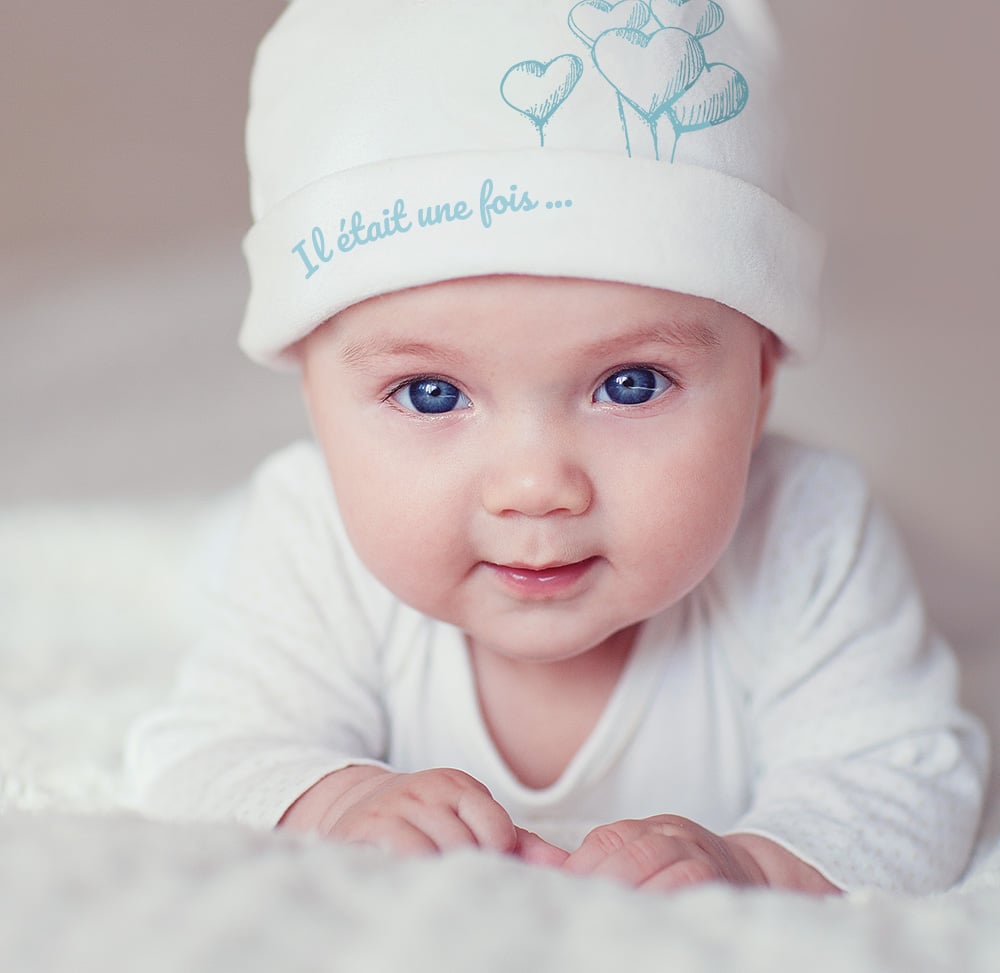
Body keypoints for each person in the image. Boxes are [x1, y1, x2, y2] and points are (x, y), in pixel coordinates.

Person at [124, 0, 988, 895]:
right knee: (219, 561)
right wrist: (339, 801)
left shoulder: (809, 534)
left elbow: (902, 775)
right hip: (266, 558)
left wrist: (755, 862)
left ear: (763, 377)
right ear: (312, 394)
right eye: (431, 393)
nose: (535, 486)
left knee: (946, 583)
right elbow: (204, 755)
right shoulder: (310, 539)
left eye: (631, 383)